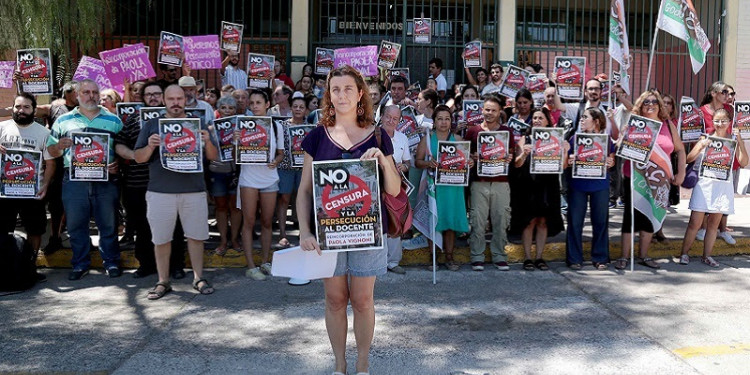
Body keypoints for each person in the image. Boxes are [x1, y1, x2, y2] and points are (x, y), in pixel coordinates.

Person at [297, 66, 401, 375]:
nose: (341, 94)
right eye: (335, 89)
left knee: (363, 300)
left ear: (360, 95)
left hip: (369, 231)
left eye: (347, 89)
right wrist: (304, 230)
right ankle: (340, 366)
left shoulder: (379, 135)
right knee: (335, 298)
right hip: (328, 233)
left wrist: (382, 160)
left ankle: (363, 364)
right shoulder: (316, 137)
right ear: (328, 95)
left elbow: (394, 189)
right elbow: (304, 190)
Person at [134, 84, 219, 299]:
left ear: (186, 99)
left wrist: (207, 141)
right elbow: (138, 158)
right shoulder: (152, 125)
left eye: (179, 98)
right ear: (164, 100)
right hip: (160, 192)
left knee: (196, 237)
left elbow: (213, 156)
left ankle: (198, 277)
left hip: (194, 190)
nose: (175, 103)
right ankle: (163, 281)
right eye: (171, 99)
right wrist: (151, 146)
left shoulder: (199, 123)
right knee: (161, 239)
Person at [46, 79, 123, 280]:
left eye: (95, 92)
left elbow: (122, 149)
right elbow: (50, 150)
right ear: (77, 95)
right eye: (86, 92)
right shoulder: (63, 121)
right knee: (76, 225)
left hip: (105, 180)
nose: (91, 96)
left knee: (108, 224)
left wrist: (118, 165)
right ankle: (80, 264)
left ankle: (112, 262)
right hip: (74, 181)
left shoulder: (114, 120)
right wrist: (59, 146)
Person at [114, 81, 188, 279]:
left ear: (163, 97)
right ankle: (146, 264)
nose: (153, 98)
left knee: (175, 226)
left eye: (157, 94)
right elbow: (119, 144)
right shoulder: (133, 119)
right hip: (139, 183)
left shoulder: (180, 119)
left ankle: (176, 265)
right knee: (143, 226)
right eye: (149, 95)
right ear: (142, 98)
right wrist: (134, 154)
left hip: (170, 182)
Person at [614, 90, 686, 270]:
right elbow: (619, 147)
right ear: (640, 104)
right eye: (646, 102)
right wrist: (623, 139)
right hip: (635, 177)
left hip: (659, 179)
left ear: (659, 104)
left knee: (649, 215)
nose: (650, 104)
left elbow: (680, 150)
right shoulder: (634, 123)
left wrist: (681, 173)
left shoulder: (667, 125)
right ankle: (624, 257)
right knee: (630, 217)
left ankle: (643, 256)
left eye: (654, 101)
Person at [679, 109, 748, 267]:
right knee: (694, 223)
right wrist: (700, 146)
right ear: (713, 121)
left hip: (723, 187)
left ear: (730, 122)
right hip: (705, 185)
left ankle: (707, 256)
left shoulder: (733, 140)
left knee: (713, 225)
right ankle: (684, 254)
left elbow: (744, 162)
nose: (720, 124)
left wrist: (740, 141)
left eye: (724, 120)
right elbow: (689, 159)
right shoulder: (706, 138)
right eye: (717, 120)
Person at [464, 95, 517, 271]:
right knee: (477, 220)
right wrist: (472, 157)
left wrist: (509, 157)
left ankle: (499, 255)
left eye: (493, 110)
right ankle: (477, 256)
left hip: (501, 182)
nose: (490, 113)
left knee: (501, 219)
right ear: (482, 110)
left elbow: (510, 155)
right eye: (487, 109)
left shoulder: (507, 132)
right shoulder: (473, 131)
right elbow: (464, 155)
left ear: (499, 111)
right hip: (479, 182)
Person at [0, 94, 56, 258]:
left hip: (32, 192)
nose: (21, 110)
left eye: (26, 107)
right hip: (4, 191)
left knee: (35, 230)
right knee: (2, 230)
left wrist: (45, 185)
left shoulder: (44, 133)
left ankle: (31, 267)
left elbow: (51, 163)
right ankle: (5, 267)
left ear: (34, 109)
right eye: (18, 106)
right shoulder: (2, 128)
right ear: (13, 108)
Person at [415, 104, 470, 271]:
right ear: (434, 121)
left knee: (450, 221)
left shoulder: (459, 140)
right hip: (434, 187)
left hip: (453, 188)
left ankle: (449, 257)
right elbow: (417, 162)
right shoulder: (427, 139)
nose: (444, 122)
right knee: (434, 220)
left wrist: (470, 162)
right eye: (440, 119)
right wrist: (427, 163)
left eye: (447, 119)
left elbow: (466, 163)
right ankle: (433, 258)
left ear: (451, 121)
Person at [239, 89, 285, 280]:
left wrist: (276, 161)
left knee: (267, 222)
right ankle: (251, 266)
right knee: (249, 222)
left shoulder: (276, 126)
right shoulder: (242, 125)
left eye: (259, 102)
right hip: (248, 179)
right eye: (252, 103)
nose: (255, 106)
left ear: (267, 105)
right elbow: (234, 154)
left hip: (269, 179)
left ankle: (265, 261)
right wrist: (235, 141)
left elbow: (281, 153)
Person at [511, 108, 564, 270]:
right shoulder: (525, 138)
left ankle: (539, 257)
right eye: (534, 118)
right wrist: (524, 154)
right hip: (529, 184)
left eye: (541, 118)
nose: (537, 120)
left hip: (548, 184)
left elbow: (563, 165)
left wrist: (565, 150)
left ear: (548, 121)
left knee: (543, 222)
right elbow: (516, 164)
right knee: (529, 222)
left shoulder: (556, 138)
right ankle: (528, 258)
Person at [564, 107, 615, 269]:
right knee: (575, 222)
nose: (581, 120)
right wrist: (568, 158)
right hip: (578, 185)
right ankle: (574, 259)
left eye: (585, 117)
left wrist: (610, 162)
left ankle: (600, 257)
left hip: (599, 185)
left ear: (596, 121)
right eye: (581, 117)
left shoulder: (606, 140)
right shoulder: (574, 138)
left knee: (600, 222)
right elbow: (565, 164)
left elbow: (611, 160)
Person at [696, 81, 737, 244]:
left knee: (724, 195)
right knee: (707, 194)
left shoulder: (729, 110)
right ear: (714, 93)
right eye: (725, 92)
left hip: (727, 156)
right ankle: (703, 228)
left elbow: (736, 129)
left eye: (730, 93)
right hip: (708, 158)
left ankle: (722, 229)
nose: (729, 96)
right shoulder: (702, 111)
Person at [42, 81, 79, 255]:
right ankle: (55, 237)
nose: (79, 94)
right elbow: (31, 106)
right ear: (67, 93)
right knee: (56, 204)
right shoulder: (55, 108)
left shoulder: (89, 110)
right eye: (75, 91)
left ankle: (81, 238)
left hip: (82, 164)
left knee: (83, 203)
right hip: (58, 163)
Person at [380, 105, 411, 274]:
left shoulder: (403, 138)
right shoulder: (373, 135)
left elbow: (408, 163)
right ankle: (378, 262)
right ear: (382, 116)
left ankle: (393, 261)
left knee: (395, 221)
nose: (391, 121)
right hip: (377, 186)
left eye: (395, 118)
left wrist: (403, 167)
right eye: (388, 117)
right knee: (379, 223)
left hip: (395, 187)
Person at [209, 95, 242, 256]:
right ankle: (223, 241)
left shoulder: (242, 128)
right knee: (221, 207)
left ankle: (234, 239)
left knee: (235, 208)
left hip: (235, 171)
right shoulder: (210, 128)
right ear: (218, 109)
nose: (227, 111)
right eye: (224, 108)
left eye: (231, 108)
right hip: (217, 172)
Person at [276, 93, 308, 249]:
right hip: (286, 168)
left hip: (304, 169)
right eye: (295, 106)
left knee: (303, 201)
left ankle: (304, 233)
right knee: (284, 200)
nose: (298, 109)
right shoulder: (282, 125)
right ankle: (282, 234)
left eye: (301, 107)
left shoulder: (310, 127)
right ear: (291, 108)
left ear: (306, 110)